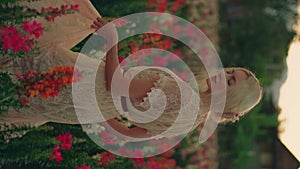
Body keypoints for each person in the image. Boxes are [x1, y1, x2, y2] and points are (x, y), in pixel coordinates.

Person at [0, 0, 262, 140]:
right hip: (78, 107)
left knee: (21, 58)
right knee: (14, 93)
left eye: (230, 83)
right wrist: (94, 110)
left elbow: (116, 86)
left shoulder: (183, 96)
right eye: (231, 73)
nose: (224, 75)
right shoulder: (190, 123)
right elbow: (128, 132)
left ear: (232, 100)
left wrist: (111, 39)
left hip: (80, 83)